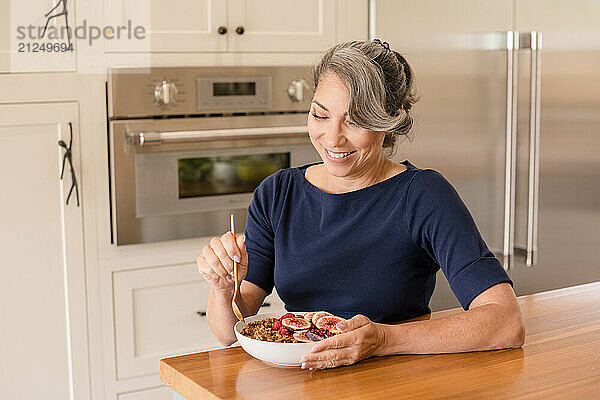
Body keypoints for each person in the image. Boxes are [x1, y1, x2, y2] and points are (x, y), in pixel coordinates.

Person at [197, 40, 525, 370]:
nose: (332, 137)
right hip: (301, 381)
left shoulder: (423, 195)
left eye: (354, 121)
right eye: (319, 115)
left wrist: (383, 340)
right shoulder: (278, 194)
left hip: (395, 380)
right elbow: (227, 333)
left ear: (391, 119)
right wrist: (223, 289)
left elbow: (506, 323)